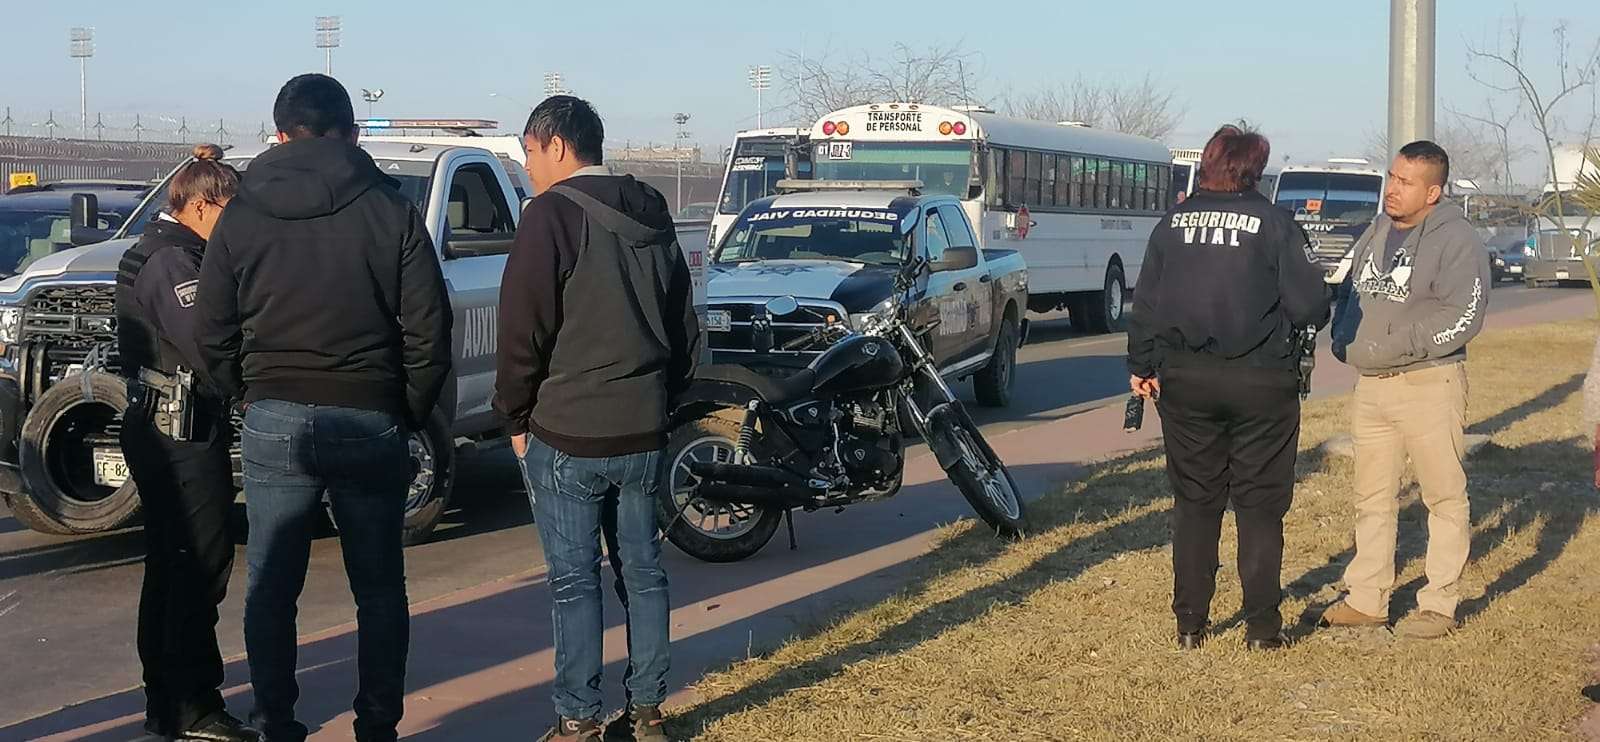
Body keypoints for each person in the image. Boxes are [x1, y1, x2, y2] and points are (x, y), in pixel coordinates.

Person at [194, 74, 453, 742]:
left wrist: (245, 392)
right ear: (352, 131)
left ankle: (274, 720)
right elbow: (429, 327)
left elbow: (212, 328)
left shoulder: (241, 215)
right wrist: (408, 407)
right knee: (379, 588)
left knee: (272, 588)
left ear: (278, 133)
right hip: (370, 414)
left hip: (275, 412)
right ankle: (376, 725)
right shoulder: (388, 209)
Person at [494, 95, 701, 742]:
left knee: (573, 582)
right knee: (642, 572)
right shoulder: (652, 210)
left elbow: (523, 330)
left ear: (556, 145)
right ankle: (647, 714)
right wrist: (667, 403)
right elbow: (683, 324)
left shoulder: (549, 217)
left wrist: (514, 417)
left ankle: (578, 720)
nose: (526, 165)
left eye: (528, 151)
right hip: (641, 427)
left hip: (568, 431)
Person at [1127, 124, 1331, 651]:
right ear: (1254, 170)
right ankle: (1263, 629)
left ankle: (1191, 624)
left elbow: (1146, 304)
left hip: (1186, 380)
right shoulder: (1275, 223)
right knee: (1260, 507)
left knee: (1195, 503)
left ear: (1209, 164)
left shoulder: (1172, 224)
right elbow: (1311, 306)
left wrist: (1142, 364)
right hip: (1263, 380)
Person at [117, 144, 260, 742]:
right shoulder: (175, 261)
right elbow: (209, 348)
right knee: (197, 566)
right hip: (179, 430)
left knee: (174, 568)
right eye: (229, 211)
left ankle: (170, 702)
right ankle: (191, 705)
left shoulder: (163, 249)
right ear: (200, 205)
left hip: (169, 425)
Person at [1322, 140, 1489, 639]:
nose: (1392, 190)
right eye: (1392, 178)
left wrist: (1397, 346)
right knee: (1371, 497)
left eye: (1406, 182)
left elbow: (1463, 315)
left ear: (1433, 191)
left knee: (1443, 496)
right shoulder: (1377, 230)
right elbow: (1350, 289)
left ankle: (1438, 604)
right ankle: (1367, 598)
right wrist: (1344, 337)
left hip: (1428, 382)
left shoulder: (1457, 240)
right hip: (1371, 388)